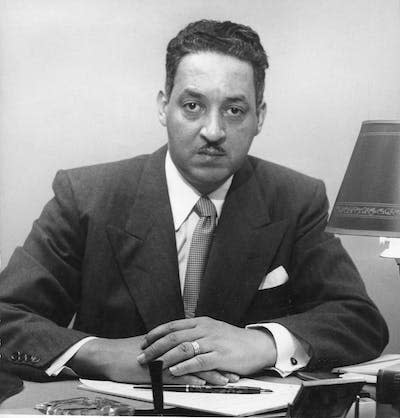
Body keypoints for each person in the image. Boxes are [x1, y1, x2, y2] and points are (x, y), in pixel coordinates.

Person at [0, 19, 388, 384]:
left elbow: (359, 320)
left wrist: (264, 343)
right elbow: (7, 318)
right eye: (193, 106)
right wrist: (101, 354)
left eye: (235, 110)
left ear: (260, 117)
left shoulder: (296, 199)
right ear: (162, 106)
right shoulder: (86, 195)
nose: (214, 130)